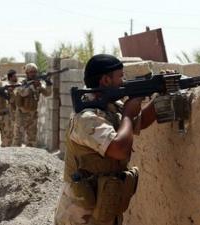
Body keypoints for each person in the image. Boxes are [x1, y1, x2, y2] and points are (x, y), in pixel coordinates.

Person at [54, 54, 156, 225]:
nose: (123, 81)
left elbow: (140, 122)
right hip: (80, 216)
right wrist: (128, 115)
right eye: (120, 76)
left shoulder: (110, 109)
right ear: (106, 81)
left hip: (103, 208)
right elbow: (118, 149)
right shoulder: (86, 117)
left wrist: (161, 92)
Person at [12, 63, 52, 147]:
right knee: (17, 139)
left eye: (35, 72)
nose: (33, 74)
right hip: (21, 115)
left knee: (32, 139)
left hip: (33, 115)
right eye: (31, 72)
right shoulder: (21, 83)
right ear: (27, 73)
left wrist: (48, 83)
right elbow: (21, 92)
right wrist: (32, 87)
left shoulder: (37, 83)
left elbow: (47, 93)